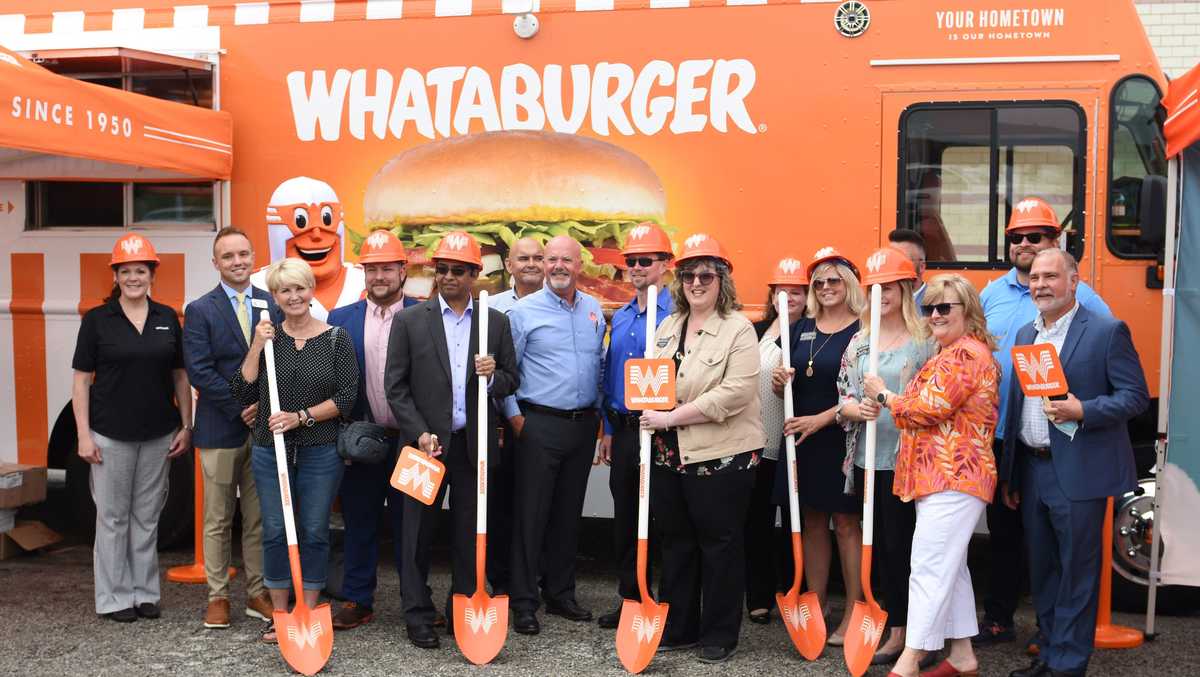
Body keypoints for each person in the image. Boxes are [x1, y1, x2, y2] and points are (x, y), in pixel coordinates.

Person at [1000, 250, 1149, 677]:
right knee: (1042, 570)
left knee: (1077, 572)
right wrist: (1012, 470)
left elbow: (1134, 397)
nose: (1040, 284)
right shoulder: (1028, 333)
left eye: (1051, 276)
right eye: (1034, 277)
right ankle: (1048, 653)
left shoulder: (1105, 331)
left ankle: (1067, 665)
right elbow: (1018, 405)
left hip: (1079, 471)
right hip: (1032, 468)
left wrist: (1082, 410)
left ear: (1074, 280)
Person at [976, 197, 1111, 649]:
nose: (1025, 244)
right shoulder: (992, 293)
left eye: (1036, 236)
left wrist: (1081, 408)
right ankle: (1000, 620)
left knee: (1060, 552)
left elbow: (1106, 367)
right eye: (1017, 237)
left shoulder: (1085, 299)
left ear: (1057, 242)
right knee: (1007, 536)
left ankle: (1056, 640)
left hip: (1063, 444)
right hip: (1003, 434)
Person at [384, 231, 520, 649]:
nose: (447, 277)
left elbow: (513, 380)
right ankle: (418, 615)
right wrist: (419, 432)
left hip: (472, 447)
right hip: (425, 448)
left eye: (457, 270)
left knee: (469, 532)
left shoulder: (493, 322)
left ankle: (463, 607)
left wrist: (493, 375)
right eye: (440, 269)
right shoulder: (409, 321)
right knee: (417, 535)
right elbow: (396, 387)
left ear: (475, 273)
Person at [863, 273, 1000, 677]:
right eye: (930, 307)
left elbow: (928, 408)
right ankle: (961, 656)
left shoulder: (965, 355)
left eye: (945, 307)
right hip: (942, 477)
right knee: (951, 567)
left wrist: (883, 394)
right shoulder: (952, 352)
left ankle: (911, 659)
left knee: (928, 566)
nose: (935, 314)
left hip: (954, 475)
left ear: (968, 311)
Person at [639, 233, 763, 663]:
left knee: (720, 545)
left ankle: (720, 633)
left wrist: (672, 416)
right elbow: (651, 380)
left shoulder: (739, 328)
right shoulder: (668, 325)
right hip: (669, 454)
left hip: (722, 456)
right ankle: (681, 626)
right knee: (675, 542)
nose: (695, 282)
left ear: (722, 279)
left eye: (705, 275)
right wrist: (646, 407)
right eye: (688, 274)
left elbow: (737, 393)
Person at [231, 257, 358, 643]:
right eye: (285, 290)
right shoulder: (270, 340)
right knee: (274, 530)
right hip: (271, 450)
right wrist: (256, 344)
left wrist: (300, 417)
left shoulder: (336, 338)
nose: (293, 296)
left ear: (311, 291)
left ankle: (310, 607)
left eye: (300, 288)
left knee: (315, 530)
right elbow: (242, 390)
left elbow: (346, 398)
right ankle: (281, 613)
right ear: (275, 296)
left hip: (320, 450)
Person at [72, 233, 193, 623]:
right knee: (112, 519)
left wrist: (186, 426)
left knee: (146, 517)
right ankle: (114, 598)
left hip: (158, 434)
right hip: (110, 435)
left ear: (151, 274)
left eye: (141, 270)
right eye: (126, 271)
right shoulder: (97, 320)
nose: (134, 277)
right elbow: (80, 381)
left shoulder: (166, 318)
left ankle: (145, 594)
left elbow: (180, 376)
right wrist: (83, 435)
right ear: (116, 275)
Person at [835, 247, 934, 664]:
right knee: (880, 549)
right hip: (868, 464)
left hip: (909, 463)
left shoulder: (926, 340)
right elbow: (843, 396)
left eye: (889, 286)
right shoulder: (860, 339)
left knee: (907, 549)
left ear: (907, 288)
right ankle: (891, 624)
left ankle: (909, 633)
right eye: (875, 287)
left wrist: (890, 400)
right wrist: (855, 409)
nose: (882, 294)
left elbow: (937, 400)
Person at [507, 235, 607, 635]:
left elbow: (598, 367)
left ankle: (561, 593)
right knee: (531, 517)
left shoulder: (594, 309)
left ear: (580, 265)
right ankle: (524, 601)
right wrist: (517, 420)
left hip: (582, 426)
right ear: (544, 265)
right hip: (538, 425)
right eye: (552, 260)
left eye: (567, 259)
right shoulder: (523, 312)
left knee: (568, 515)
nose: (559, 266)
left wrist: (599, 421)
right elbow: (506, 373)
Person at [182, 227, 278, 629]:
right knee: (218, 519)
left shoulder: (270, 302)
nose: (237, 262)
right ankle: (217, 595)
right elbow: (199, 371)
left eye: (243, 254)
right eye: (228, 256)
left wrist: (263, 410)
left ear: (253, 256)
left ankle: (257, 592)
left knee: (257, 517)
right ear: (216, 263)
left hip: (260, 432)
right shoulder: (201, 309)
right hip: (220, 428)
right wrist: (241, 406)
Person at [326, 229, 419, 631]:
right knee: (360, 521)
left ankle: (413, 602)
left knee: (411, 526)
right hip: (361, 441)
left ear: (403, 270)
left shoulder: (424, 315)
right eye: (371, 269)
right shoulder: (341, 319)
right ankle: (358, 599)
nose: (379, 276)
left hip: (411, 442)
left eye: (386, 268)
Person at [770, 246, 864, 644]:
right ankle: (818, 602)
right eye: (819, 282)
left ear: (850, 285)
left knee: (845, 523)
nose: (826, 288)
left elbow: (863, 393)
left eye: (834, 281)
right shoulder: (800, 327)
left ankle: (857, 610)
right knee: (810, 520)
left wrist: (822, 419)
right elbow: (788, 384)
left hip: (841, 438)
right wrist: (780, 383)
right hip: (800, 437)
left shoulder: (863, 329)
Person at [595, 222, 674, 630]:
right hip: (625, 431)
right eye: (631, 261)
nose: (637, 267)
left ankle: (663, 599)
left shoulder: (677, 314)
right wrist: (608, 429)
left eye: (646, 260)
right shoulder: (622, 315)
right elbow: (611, 376)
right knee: (625, 516)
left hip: (665, 430)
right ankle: (630, 597)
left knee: (665, 517)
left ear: (666, 264)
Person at [744, 257, 807, 625]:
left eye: (796, 291)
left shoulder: (812, 332)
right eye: (781, 290)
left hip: (795, 442)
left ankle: (794, 590)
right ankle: (759, 595)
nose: (788, 296)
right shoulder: (757, 330)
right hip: (758, 440)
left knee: (797, 522)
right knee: (757, 522)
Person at [488, 235, 544, 594]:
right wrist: (512, 415)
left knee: (535, 507)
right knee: (498, 504)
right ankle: (500, 581)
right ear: (508, 264)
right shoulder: (491, 307)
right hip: (498, 425)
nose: (532, 264)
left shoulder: (565, 305)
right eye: (523, 258)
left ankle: (533, 581)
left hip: (539, 423)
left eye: (539, 257)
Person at [888, 229, 927, 304]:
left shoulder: (935, 305)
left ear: (921, 267)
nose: (894, 266)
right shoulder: (877, 303)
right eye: (891, 259)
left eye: (903, 261)